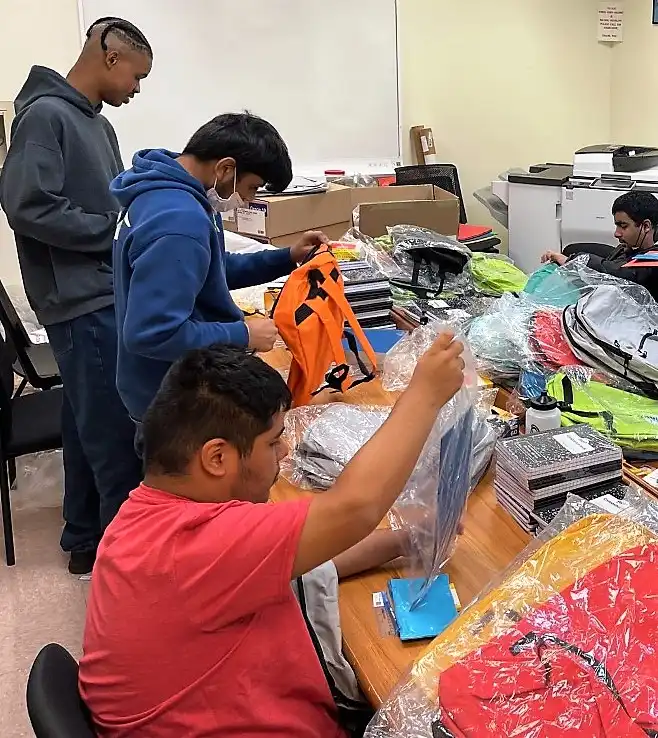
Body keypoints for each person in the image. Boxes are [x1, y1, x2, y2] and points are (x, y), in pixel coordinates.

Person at [79, 338, 465, 737]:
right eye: (272, 440)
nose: (283, 451)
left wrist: (405, 539)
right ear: (217, 458)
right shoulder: (194, 547)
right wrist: (425, 395)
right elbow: (356, 507)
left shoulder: (148, 516)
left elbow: (301, 564)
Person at [0, 18, 152, 574]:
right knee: (114, 432)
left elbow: (109, 201)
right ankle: (125, 568)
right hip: (80, 300)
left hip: (101, 288)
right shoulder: (44, 116)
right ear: (110, 57)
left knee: (87, 420)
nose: (137, 90)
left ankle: (84, 538)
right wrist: (108, 232)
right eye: (136, 77)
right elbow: (26, 205)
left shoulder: (97, 124)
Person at [111, 112, 326, 425]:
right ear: (226, 168)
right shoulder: (180, 221)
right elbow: (152, 334)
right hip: (173, 399)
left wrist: (286, 257)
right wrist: (242, 334)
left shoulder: (167, 195)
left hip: (162, 381)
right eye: (253, 187)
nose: (249, 199)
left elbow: (211, 270)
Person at [541, 191, 658, 300]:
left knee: (574, 260)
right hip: (631, 258)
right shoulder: (644, 244)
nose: (616, 233)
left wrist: (570, 260)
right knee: (571, 250)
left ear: (646, 226)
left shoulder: (651, 266)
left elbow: (620, 274)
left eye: (623, 226)